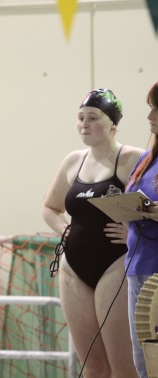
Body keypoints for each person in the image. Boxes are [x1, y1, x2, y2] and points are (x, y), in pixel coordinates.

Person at [41, 88, 142, 377]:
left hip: (116, 266)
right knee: (92, 367)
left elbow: (153, 209)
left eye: (93, 117)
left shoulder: (134, 159)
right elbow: (49, 207)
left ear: (113, 124)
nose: (84, 123)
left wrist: (134, 233)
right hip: (73, 269)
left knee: (124, 367)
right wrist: (65, 229)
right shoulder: (73, 161)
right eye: (80, 117)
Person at [125, 82, 158, 378]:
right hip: (136, 266)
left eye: (156, 108)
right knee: (143, 362)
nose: (150, 116)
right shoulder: (146, 160)